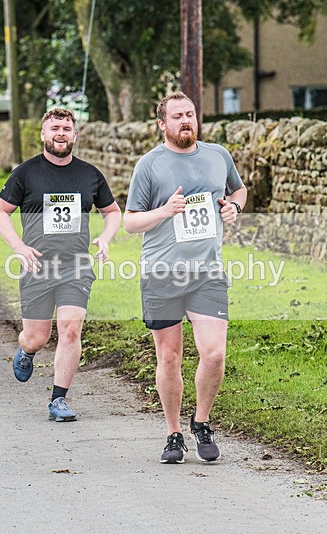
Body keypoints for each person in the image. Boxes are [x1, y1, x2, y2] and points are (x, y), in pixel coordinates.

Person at [123, 91, 247, 463]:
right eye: (177, 116)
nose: (185, 121)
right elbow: (130, 222)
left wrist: (234, 206)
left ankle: (202, 422)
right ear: (162, 124)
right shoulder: (149, 165)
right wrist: (163, 212)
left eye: (190, 114)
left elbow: (238, 189)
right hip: (161, 272)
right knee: (170, 357)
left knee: (214, 353)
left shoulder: (217, 156)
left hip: (207, 272)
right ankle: (173, 432)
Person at [0, 107, 121, 422]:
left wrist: (105, 237)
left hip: (76, 266)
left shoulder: (89, 174)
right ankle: (27, 350)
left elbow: (113, 212)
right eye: (54, 128)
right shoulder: (25, 173)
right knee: (37, 337)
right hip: (37, 266)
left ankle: (59, 400)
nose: (61, 133)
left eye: (66, 128)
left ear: (75, 135)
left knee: (71, 329)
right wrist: (19, 247)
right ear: (43, 134)